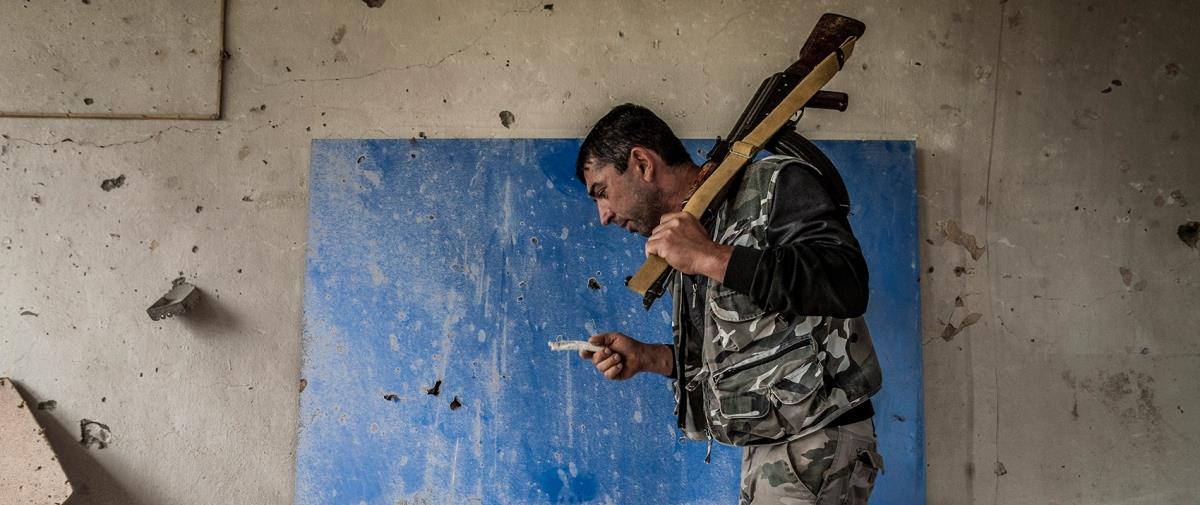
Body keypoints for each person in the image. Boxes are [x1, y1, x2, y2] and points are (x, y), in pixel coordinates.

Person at [573, 103, 885, 504]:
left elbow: (846, 283)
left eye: (602, 191)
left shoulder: (772, 183)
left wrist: (710, 257)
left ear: (641, 163)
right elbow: (740, 353)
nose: (604, 215)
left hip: (815, 438)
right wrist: (648, 358)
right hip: (771, 446)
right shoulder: (691, 232)